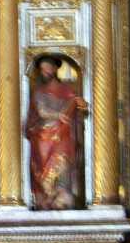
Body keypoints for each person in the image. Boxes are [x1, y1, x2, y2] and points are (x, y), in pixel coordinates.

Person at [26, 55, 87, 210]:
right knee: (42, 168)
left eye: (47, 67)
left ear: (54, 68)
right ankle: (46, 198)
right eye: (42, 69)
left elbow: (79, 107)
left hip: (63, 134)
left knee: (63, 162)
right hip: (42, 136)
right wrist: (59, 115)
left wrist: (81, 106)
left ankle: (62, 196)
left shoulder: (67, 90)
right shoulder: (39, 92)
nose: (45, 71)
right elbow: (41, 111)